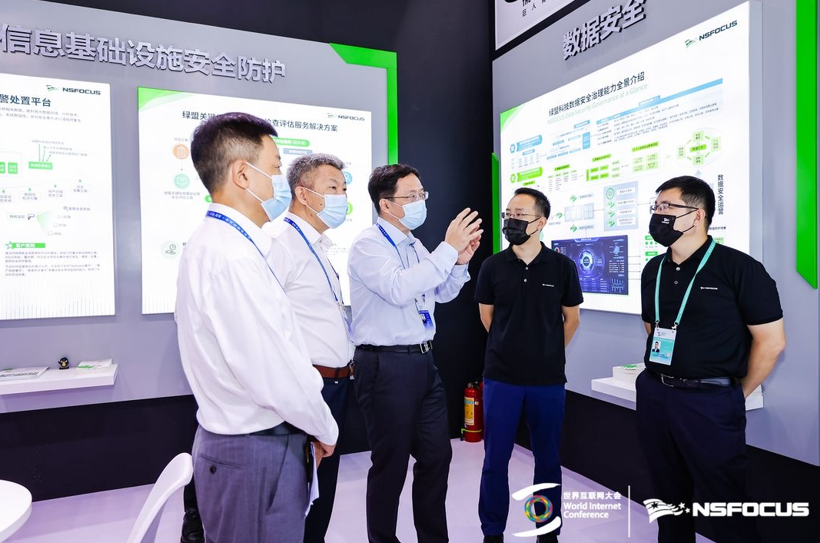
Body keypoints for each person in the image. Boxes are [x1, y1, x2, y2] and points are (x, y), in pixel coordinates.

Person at [175, 112, 338, 542]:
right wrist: (325, 427)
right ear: (243, 174)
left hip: (250, 445)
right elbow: (274, 372)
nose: (279, 179)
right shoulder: (232, 256)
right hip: (255, 450)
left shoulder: (223, 244)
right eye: (276, 167)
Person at [638, 176, 785, 543]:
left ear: (697, 215)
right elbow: (652, 326)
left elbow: (771, 342)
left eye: (667, 207)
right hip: (656, 394)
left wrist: (735, 393)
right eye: (656, 207)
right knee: (668, 497)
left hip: (710, 401)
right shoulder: (653, 269)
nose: (658, 214)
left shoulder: (739, 268)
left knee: (725, 502)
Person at [348, 164, 482, 543]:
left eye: (422, 193)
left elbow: (441, 293)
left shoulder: (414, 245)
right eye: (411, 196)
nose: (420, 201)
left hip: (423, 362)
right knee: (390, 466)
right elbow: (399, 289)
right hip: (385, 364)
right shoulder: (368, 245)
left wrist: (459, 262)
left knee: (437, 457)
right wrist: (447, 249)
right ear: (386, 204)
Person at [474, 187, 582, 543]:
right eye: (508, 214)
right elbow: (487, 316)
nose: (511, 221)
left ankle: (546, 531)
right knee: (495, 460)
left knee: (548, 461)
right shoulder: (492, 266)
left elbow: (572, 319)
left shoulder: (562, 267)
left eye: (520, 215)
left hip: (547, 381)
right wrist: (510, 346)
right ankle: (493, 532)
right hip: (501, 378)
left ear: (541, 222)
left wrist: (546, 350)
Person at [264, 153, 355, 543]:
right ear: (303, 194)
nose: (342, 197)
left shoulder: (318, 246)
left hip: (335, 386)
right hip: (306, 388)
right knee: (299, 499)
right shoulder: (279, 243)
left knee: (321, 495)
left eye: (344, 188)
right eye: (332, 188)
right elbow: (269, 330)